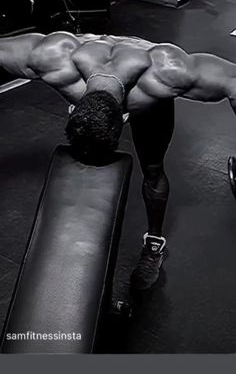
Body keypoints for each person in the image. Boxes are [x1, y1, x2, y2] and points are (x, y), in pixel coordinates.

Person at [1, 31, 236, 291]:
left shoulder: (169, 71)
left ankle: (154, 245)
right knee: (83, 157)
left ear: (125, 117)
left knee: (153, 169)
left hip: (150, 93)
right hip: (98, 61)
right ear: (72, 111)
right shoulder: (50, 55)